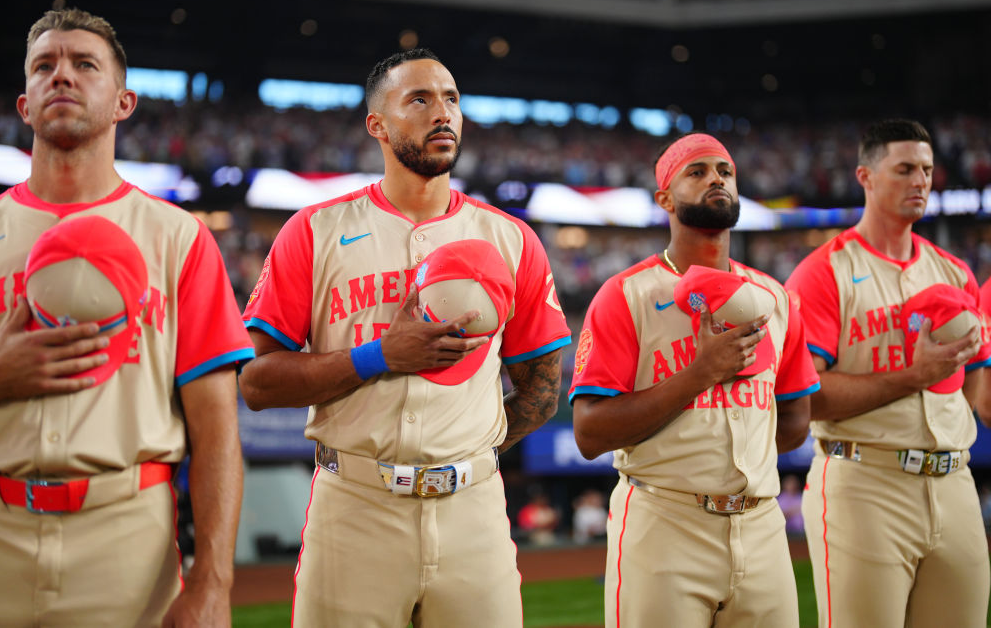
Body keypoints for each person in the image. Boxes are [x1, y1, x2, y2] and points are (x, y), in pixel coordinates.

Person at [239, 48, 571, 627]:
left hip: (475, 511)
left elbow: (543, 388)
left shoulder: (511, 238)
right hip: (355, 507)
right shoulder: (312, 232)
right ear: (378, 125)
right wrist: (380, 356)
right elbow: (257, 383)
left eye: (451, 99)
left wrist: (474, 451)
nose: (442, 112)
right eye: (419, 99)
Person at [0, 9, 253, 626]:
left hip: (127, 540)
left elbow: (216, 432)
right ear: (23, 105)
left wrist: (214, 583)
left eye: (83, 65)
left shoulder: (179, 237)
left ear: (124, 102)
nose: (61, 76)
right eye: (44, 66)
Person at [570, 132, 818, 627]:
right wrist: (700, 375)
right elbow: (590, 433)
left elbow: (795, 421)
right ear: (665, 198)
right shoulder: (626, 295)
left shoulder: (775, 297)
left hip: (763, 526)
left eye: (725, 171)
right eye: (697, 172)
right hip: (666, 520)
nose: (716, 180)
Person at [786, 118, 991, 628]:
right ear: (866, 176)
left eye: (926, 170)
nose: (920, 181)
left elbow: (977, 392)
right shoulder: (823, 271)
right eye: (904, 169)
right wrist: (912, 377)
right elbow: (804, 398)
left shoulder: (955, 271)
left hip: (953, 481)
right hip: (864, 481)